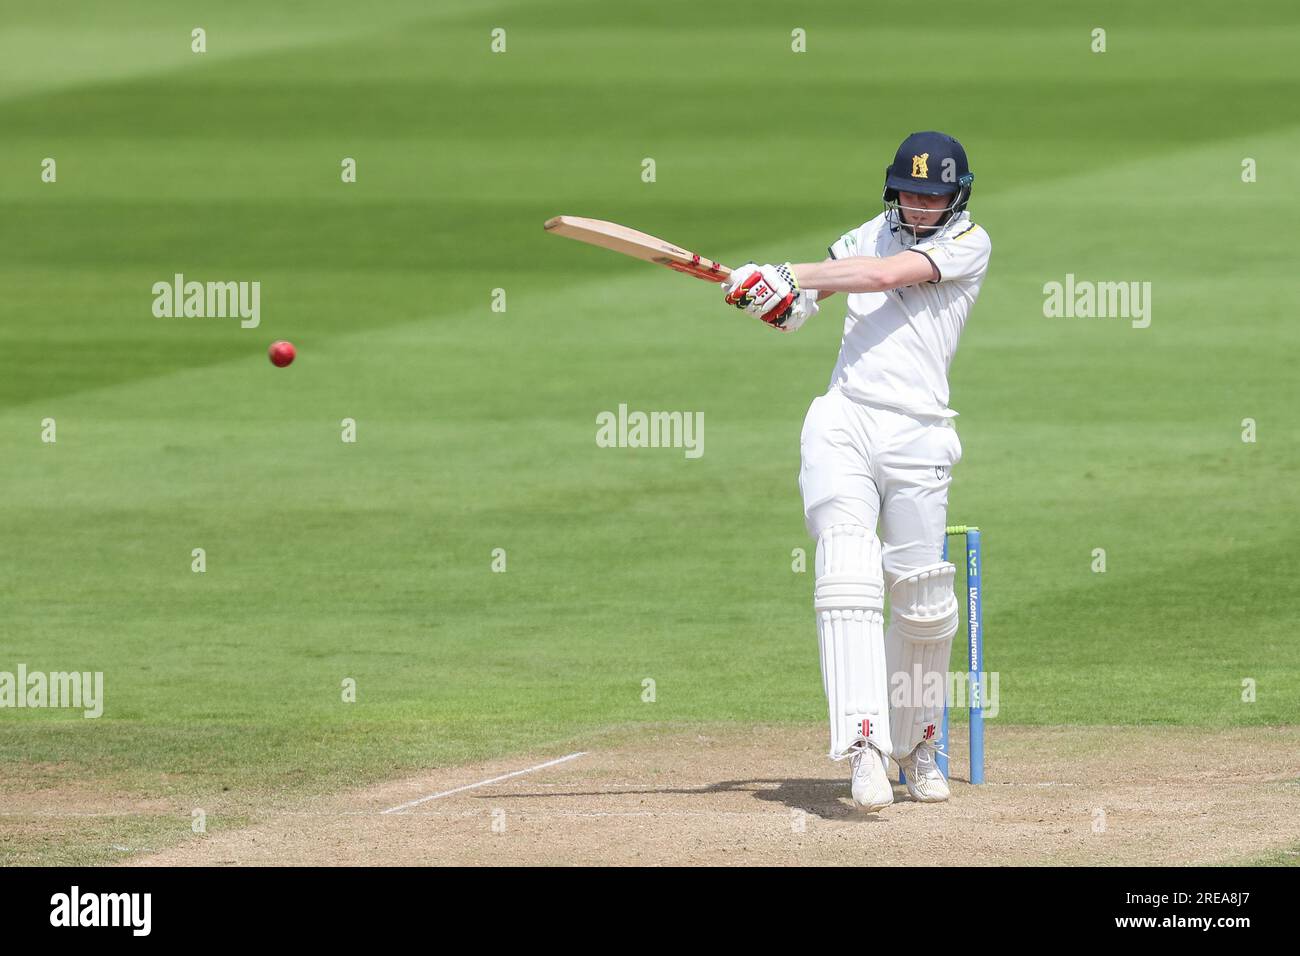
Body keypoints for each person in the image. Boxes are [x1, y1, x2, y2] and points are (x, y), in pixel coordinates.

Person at [722, 131, 992, 812]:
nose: (919, 203)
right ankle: (865, 748)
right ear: (892, 188)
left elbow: (880, 277)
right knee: (845, 566)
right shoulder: (863, 234)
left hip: (919, 434)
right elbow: (800, 310)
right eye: (909, 190)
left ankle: (919, 743)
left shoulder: (968, 243)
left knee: (922, 600)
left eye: (933, 194)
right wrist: (762, 295)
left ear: (955, 196)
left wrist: (787, 269)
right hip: (843, 422)